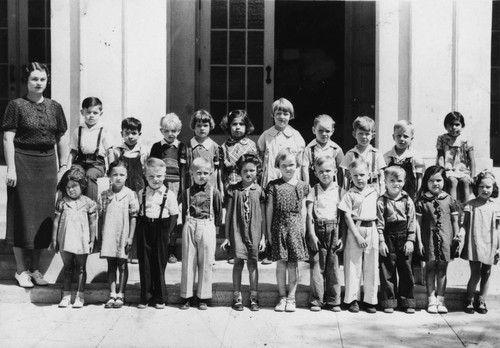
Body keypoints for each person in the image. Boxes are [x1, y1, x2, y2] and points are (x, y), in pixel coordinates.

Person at [1, 62, 68, 288]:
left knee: (43, 218)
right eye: (34, 79)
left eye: (42, 79)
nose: (39, 83)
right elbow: (8, 138)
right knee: (21, 216)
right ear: (26, 81)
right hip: (23, 163)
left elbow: (61, 138)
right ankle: (21, 270)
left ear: (47, 81)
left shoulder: (55, 107)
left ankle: (36, 270)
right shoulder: (16, 105)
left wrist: (63, 166)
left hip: (47, 165)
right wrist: (11, 168)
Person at [258, 98, 305, 265]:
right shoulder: (267, 135)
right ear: (273, 115)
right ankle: (267, 247)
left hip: (290, 182)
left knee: (286, 216)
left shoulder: (296, 136)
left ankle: (292, 248)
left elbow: (300, 162)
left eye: (286, 113)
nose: (282, 116)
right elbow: (262, 156)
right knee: (268, 213)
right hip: (271, 180)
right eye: (278, 113)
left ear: (290, 115)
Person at [220, 154, 266, 311]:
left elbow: (263, 216)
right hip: (237, 231)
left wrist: (263, 237)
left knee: (253, 263)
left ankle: (254, 297)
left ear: (257, 171)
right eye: (245, 170)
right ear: (239, 171)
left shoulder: (259, 191)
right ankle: (237, 296)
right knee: (238, 263)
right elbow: (228, 214)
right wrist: (227, 237)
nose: (249, 173)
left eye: (252, 170)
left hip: (254, 232)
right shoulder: (234, 190)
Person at [267, 148, 309, 313]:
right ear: (278, 166)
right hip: (278, 226)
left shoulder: (302, 186)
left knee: (293, 265)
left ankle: (291, 298)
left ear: (297, 165)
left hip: (295, 227)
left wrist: (303, 228)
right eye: (284, 165)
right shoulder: (273, 185)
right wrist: (268, 231)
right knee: (280, 264)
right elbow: (269, 208)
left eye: (291, 164)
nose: (288, 168)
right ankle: (281, 296)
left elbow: (304, 209)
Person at [179, 157, 223, 310]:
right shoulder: (186, 192)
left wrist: (214, 231)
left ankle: (203, 296)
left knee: (206, 263)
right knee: (188, 262)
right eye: (198, 173)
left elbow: (218, 213)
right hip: (190, 224)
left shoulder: (214, 192)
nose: (202, 176)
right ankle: (186, 295)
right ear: (191, 173)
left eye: (205, 173)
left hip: (207, 226)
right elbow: (183, 209)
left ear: (210, 173)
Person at [416, 165, 460, 314]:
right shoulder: (422, 201)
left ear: (444, 181)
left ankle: (441, 300)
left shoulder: (449, 200)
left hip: (446, 239)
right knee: (430, 268)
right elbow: (418, 223)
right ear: (426, 183)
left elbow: (455, 221)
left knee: (442, 269)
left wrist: (457, 236)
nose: (435, 183)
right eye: (431, 181)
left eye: (439, 180)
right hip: (428, 240)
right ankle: (431, 300)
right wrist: (420, 242)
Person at [136, 158, 179, 309]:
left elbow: (174, 215)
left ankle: (160, 297)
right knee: (145, 262)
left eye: (159, 176)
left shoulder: (169, 194)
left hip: (162, 228)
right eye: (151, 176)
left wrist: (168, 233)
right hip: (145, 227)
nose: (155, 180)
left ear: (165, 175)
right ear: (145, 176)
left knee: (159, 262)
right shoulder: (142, 193)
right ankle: (145, 296)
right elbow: (139, 212)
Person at [51, 169, 97, 308]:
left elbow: (93, 222)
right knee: (68, 267)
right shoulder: (62, 203)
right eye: (68, 187)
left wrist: (92, 240)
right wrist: (54, 239)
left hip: (82, 240)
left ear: (82, 185)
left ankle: (79, 296)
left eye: (74, 186)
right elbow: (56, 222)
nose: (71, 190)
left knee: (81, 268)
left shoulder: (89, 203)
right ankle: (66, 295)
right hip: (65, 239)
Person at [338, 158, 379, 313]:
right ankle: (352, 299)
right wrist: (357, 236)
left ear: (368, 175)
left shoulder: (375, 191)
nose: (359, 178)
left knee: (371, 265)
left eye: (362, 175)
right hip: (355, 229)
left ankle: (370, 300)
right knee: (353, 265)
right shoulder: (349, 194)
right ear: (351, 177)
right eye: (355, 176)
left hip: (372, 229)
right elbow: (347, 216)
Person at [99, 161, 139, 308]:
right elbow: (101, 216)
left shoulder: (130, 194)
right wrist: (100, 236)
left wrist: (130, 237)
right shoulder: (104, 195)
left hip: (124, 233)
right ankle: (112, 294)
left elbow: (133, 216)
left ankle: (121, 294)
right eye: (115, 174)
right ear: (109, 176)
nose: (118, 177)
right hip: (109, 233)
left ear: (127, 176)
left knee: (122, 264)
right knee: (111, 264)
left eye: (122, 174)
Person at [376, 166, 417, 314]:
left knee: (406, 270)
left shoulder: (407, 200)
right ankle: (389, 301)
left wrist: (411, 240)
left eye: (399, 180)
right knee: (388, 270)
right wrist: (381, 241)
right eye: (391, 180)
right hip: (388, 237)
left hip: (404, 236)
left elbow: (412, 221)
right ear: (385, 182)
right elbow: (379, 223)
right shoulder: (381, 201)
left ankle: (407, 301)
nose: (396, 184)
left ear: (404, 182)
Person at [460, 171, 500, 314]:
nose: (485, 190)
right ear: (476, 187)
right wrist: (461, 235)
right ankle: (469, 299)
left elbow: (498, 228)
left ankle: (481, 300)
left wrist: (498, 247)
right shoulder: (470, 205)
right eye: (481, 186)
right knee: (475, 273)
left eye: (488, 187)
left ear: (494, 188)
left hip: (491, 243)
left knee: (487, 272)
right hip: (475, 242)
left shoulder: (496, 207)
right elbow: (464, 225)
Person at [306, 155, 342, 312]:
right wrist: (311, 234)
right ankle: (316, 300)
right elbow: (308, 214)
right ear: (316, 173)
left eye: (328, 170)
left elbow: (344, 216)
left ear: (335, 171)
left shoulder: (340, 191)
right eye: (321, 171)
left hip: (335, 229)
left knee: (333, 267)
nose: (325, 174)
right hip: (318, 229)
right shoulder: (313, 190)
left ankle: (334, 300)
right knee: (317, 265)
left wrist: (342, 236)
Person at [150, 113, 187, 263]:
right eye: (167, 131)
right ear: (161, 131)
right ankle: (160, 249)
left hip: (176, 185)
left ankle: (171, 250)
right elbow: (152, 169)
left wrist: (182, 191)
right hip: (160, 185)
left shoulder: (182, 147)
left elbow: (183, 170)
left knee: (173, 216)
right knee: (160, 215)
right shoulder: (157, 147)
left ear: (178, 131)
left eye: (174, 131)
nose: (170, 134)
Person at [67, 97, 115, 202]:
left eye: (95, 112)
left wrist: (112, 170)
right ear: (82, 112)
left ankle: (90, 205)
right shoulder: (78, 130)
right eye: (88, 112)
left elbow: (110, 152)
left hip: (97, 164)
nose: (91, 115)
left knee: (90, 175)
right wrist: (67, 167)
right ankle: (74, 204)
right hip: (80, 161)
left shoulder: (104, 131)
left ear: (100, 114)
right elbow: (73, 151)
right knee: (74, 175)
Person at [436, 111, 476, 202]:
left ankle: (466, 207)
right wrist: (441, 170)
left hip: (462, 169)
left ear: (462, 126)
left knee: (465, 181)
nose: (454, 127)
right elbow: (441, 156)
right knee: (452, 181)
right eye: (450, 124)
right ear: (445, 126)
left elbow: (472, 160)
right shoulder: (442, 139)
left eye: (457, 124)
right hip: (448, 169)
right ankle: (453, 207)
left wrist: (473, 176)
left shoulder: (466, 140)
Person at [340, 116, 385, 194]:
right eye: (360, 133)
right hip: (355, 193)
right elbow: (346, 177)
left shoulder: (376, 154)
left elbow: (381, 176)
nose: (364, 137)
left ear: (373, 136)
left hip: (373, 192)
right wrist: (344, 194)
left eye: (367, 134)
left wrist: (382, 193)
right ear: (354, 134)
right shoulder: (350, 154)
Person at [383, 120, 425, 201]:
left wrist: (418, 194)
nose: (401, 139)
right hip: (390, 194)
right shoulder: (387, 156)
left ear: (411, 138)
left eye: (405, 136)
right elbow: (383, 177)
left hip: (410, 194)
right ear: (393, 137)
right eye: (398, 135)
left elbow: (419, 177)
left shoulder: (415, 156)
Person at [185, 110, 222, 194]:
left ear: (210, 126)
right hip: (193, 186)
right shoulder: (188, 146)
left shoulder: (214, 147)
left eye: (205, 125)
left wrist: (216, 188)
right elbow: (186, 169)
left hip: (209, 186)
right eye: (198, 125)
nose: (202, 128)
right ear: (194, 127)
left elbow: (216, 170)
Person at [302, 114, 344, 188]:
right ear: (314, 130)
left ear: (332, 131)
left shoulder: (336, 149)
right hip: (314, 188)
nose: (324, 134)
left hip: (332, 189)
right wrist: (307, 188)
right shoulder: (309, 149)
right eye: (320, 130)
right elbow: (305, 170)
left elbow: (341, 173)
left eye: (327, 131)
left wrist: (340, 190)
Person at [219, 109, 258, 190]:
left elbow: (255, 168)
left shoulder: (251, 145)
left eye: (241, 124)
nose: (238, 127)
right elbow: (221, 171)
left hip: (248, 186)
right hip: (230, 187)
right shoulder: (224, 146)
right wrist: (221, 190)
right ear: (228, 126)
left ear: (246, 126)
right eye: (234, 124)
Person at [113, 117, 147, 195]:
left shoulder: (143, 152)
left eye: (134, 133)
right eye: (127, 133)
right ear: (122, 134)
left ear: (139, 134)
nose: (130, 136)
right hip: (122, 185)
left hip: (139, 186)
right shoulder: (117, 151)